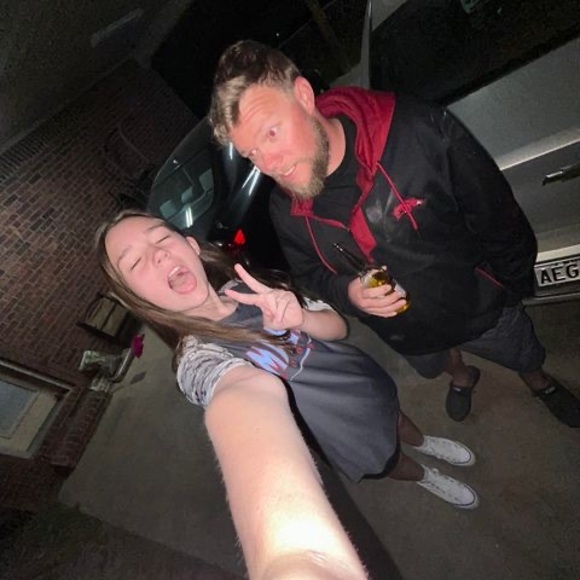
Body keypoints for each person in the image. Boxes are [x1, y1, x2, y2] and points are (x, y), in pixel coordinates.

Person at [208, 39, 580, 428]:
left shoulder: (416, 132)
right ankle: (462, 375)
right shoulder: (283, 208)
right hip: (407, 331)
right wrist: (349, 294)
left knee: (520, 352)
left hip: (477, 304)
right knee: (439, 363)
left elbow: (495, 215)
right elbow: (311, 275)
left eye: (271, 133)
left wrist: (511, 289)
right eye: (252, 154)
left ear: (303, 95)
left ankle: (539, 382)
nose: (270, 164)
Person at [96, 211, 480, 577]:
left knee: (395, 418)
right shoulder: (196, 359)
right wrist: (292, 554)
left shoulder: (249, 287)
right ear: (137, 297)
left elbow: (337, 328)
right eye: (136, 262)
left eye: (162, 238)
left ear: (191, 246)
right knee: (389, 460)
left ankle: (426, 443)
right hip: (338, 431)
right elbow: (232, 395)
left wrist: (302, 318)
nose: (158, 254)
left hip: (360, 383)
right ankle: (425, 475)